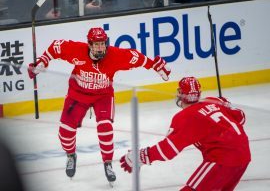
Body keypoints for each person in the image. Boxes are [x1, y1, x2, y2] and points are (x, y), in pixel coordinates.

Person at [27, 27, 171, 184]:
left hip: (103, 96)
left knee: (105, 127)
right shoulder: (76, 50)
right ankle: (71, 155)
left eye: (102, 43)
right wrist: (42, 61)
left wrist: (155, 65)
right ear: (89, 44)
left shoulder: (115, 55)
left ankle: (108, 163)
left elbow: (137, 58)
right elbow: (56, 46)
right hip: (78, 94)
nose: (100, 47)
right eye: (96, 44)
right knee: (65, 132)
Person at [120, 76, 251, 190]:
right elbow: (241, 117)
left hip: (222, 159)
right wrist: (228, 106)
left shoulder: (185, 117)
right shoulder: (213, 101)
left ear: (181, 94)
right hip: (244, 155)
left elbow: (168, 150)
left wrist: (141, 156)